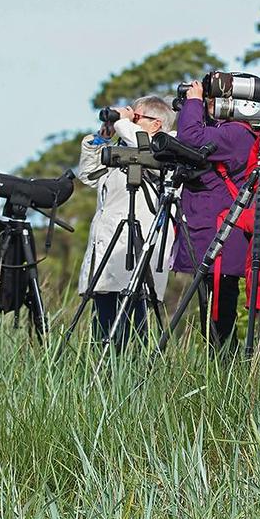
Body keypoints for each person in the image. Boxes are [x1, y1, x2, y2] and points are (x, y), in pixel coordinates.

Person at [77, 96, 175, 350]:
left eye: (137, 117)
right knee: (103, 332)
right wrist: (102, 139)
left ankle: (134, 379)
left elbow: (149, 152)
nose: (129, 120)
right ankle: (105, 381)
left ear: (156, 125)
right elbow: (89, 175)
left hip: (135, 254)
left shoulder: (166, 149)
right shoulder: (126, 153)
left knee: (132, 334)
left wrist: (123, 122)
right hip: (107, 253)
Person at [174, 81, 257, 348]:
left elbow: (190, 138)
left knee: (220, 318)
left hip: (223, 237)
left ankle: (223, 372)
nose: (211, 102)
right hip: (212, 232)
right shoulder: (224, 131)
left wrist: (195, 101)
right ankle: (220, 368)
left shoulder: (237, 134)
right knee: (212, 313)